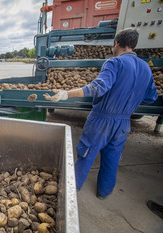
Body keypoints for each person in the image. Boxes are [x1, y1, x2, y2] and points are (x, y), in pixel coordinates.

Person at [43, 28, 158, 199]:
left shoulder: (114, 63)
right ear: (133, 45)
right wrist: (127, 100)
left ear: (116, 43)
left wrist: (67, 94)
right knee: (112, 158)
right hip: (123, 123)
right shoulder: (146, 69)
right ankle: (103, 193)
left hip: (101, 120)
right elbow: (151, 97)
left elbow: (98, 87)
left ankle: (71, 192)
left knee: (86, 153)